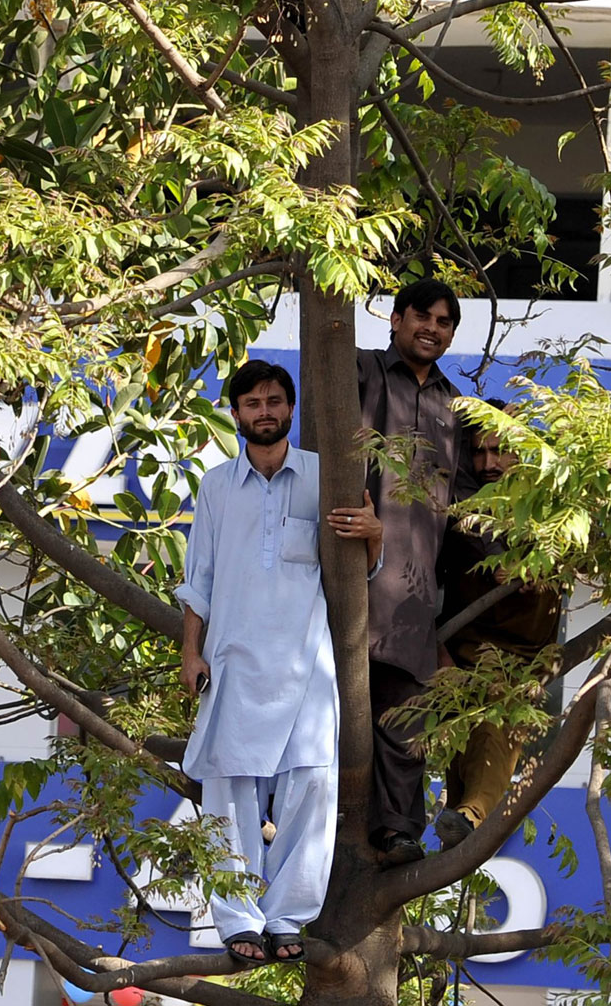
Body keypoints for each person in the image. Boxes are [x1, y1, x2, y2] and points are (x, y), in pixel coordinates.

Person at [178, 359, 382, 967]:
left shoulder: (327, 475)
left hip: (310, 662)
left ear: (290, 409)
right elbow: (200, 580)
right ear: (236, 414)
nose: (263, 412)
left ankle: (288, 916)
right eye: (251, 403)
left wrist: (374, 533)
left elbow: (361, 570)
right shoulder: (215, 485)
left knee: (311, 788)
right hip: (234, 661)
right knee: (230, 790)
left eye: (273, 401)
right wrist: (191, 650)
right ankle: (239, 920)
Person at [357, 278, 474, 865]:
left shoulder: (457, 406)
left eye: (444, 321)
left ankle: (398, 833)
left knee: (405, 719)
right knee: (336, 714)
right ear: (396, 319)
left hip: (417, 590)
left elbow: (467, 510)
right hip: (350, 577)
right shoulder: (359, 373)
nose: (431, 327)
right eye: (421, 316)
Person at [434, 404, 561, 848]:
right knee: (462, 729)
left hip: (527, 650)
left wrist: (537, 567)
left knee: (498, 722)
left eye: (500, 450)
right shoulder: (461, 505)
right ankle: (458, 815)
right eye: (479, 452)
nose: (489, 462)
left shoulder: (551, 502)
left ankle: (471, 814)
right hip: (465, 644)